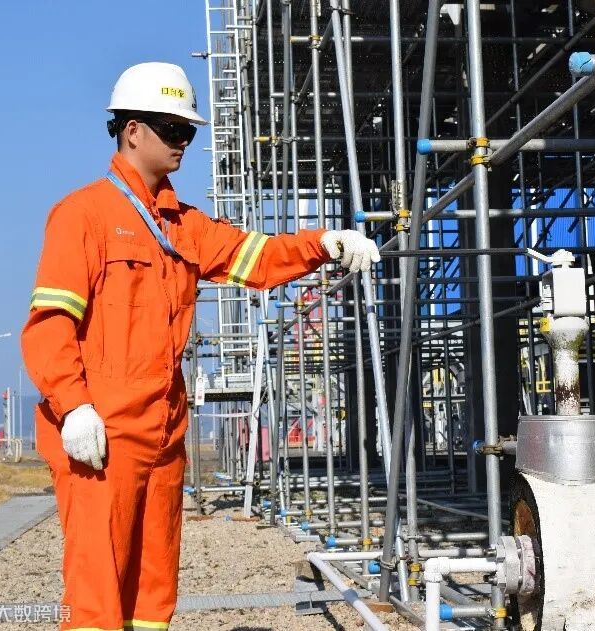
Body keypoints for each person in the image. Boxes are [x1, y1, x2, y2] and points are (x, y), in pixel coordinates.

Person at [21, 62, 379, 631]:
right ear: (131, 130)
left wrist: (324, 244)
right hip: (105, 432)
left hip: (164, 430)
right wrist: (74, 406)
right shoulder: (83, 215)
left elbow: (256, 257)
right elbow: (50, 324)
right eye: (172, 129)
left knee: (153, 587)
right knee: (97, 591)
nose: (183, 141)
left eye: (187, 130)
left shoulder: (182, 225)